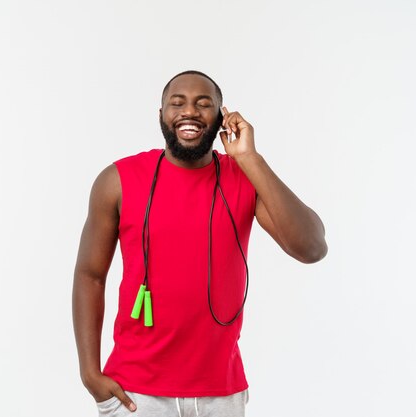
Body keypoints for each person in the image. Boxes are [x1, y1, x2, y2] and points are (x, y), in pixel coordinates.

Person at [72, 70, 328, 416]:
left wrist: (249, 158)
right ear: (161, 115)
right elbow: (90, 275)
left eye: (203, 104)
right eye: (176, 103)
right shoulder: (118, 180)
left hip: (220, 394)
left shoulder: (244, 178)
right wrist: (89, 373)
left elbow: (311, 248)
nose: (189, 111)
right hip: (136, 393)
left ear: (222, 118)